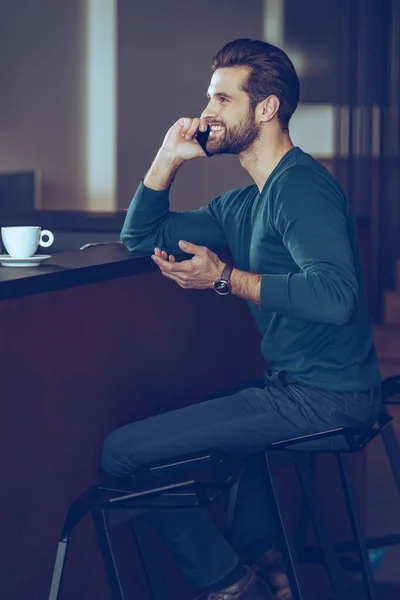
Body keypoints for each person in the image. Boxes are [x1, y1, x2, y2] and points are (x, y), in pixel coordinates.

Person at [101, 39, 382, 600]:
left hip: (327, 397)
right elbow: (142, 236)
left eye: (222, 100)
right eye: (209, 98)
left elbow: (336, 295)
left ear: (266, 109)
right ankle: (267, 564)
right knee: (213, 427)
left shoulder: (301, 187)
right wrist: (168, 157)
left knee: (121, 453)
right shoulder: (246, 204)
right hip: (297, 387)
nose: (207, 113)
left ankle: (232, 586)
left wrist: (226, 280)